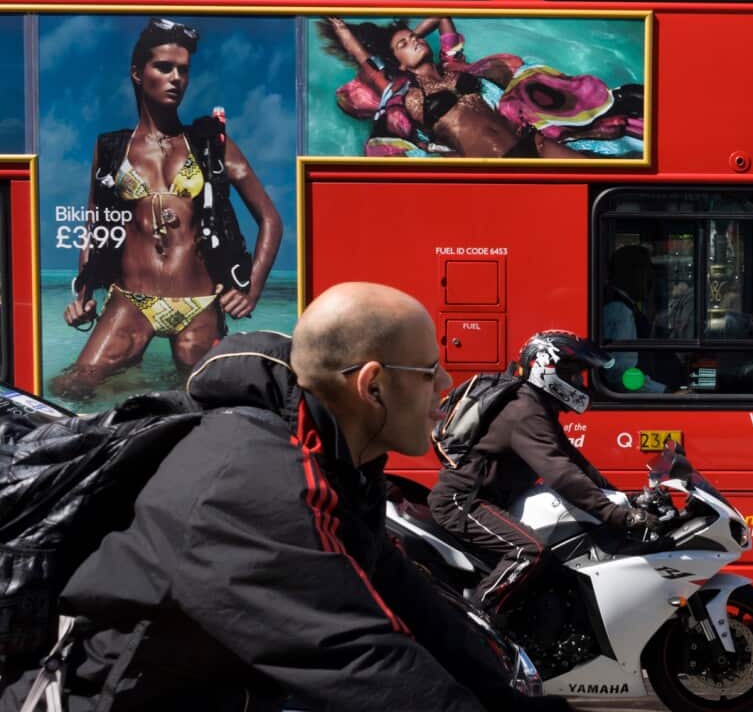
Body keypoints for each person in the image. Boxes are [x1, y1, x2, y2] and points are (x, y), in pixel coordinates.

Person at [0, 283, 575, 711]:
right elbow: (359, 660)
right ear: (371, 385)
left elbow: (409, 604)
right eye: (430, 370)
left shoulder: (336, 462)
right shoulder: (250, 477)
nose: (447, 386)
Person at [51, 17, 283, 401]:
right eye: (164, 67)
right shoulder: (111, 148)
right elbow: (97, 227)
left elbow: (270, 219)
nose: (176, 78)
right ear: (138, 73)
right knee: (70, 388)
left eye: (183, 70)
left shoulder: (209, 144)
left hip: (199, 302)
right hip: (131, 300)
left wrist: (251, 290)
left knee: (209, 403)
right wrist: (84, 294)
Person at [428, 330, 659, 615]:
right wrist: (615, 516)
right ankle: (476, 622)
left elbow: (576, 463)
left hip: (485, 500)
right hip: (462, 503)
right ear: (550, 371)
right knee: (529, 551)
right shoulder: (524, 410)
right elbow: (560, 473)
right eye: (574, 377)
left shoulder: (536, 405)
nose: (580, 384)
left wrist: (624, 500)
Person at [319, 17, 637, 159]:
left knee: (589, 185)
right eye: (405, 44)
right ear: (398, 63)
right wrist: (342, 30)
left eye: (413, 38)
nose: (413, 41)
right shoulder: (404, 92)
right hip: (494, 167)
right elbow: (365, 61)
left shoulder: (454, 66)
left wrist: (408, 34)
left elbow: (443, 14)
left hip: (534, 146)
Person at [601, 244, 669, 392]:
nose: (651, 280)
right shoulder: (619, 311)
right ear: (631, 273)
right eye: (646, 272)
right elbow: (620, 373)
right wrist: (661, 392)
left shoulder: (619, 304)